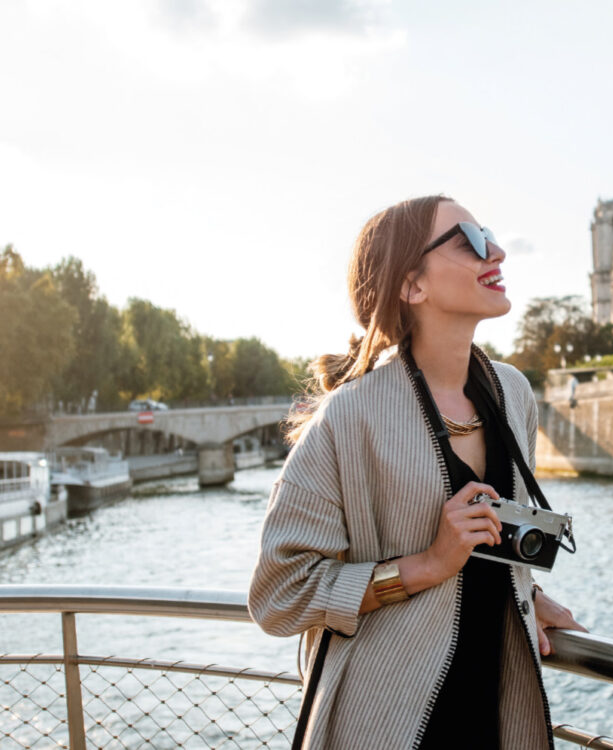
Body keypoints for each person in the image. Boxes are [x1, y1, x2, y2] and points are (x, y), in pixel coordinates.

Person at [248, 195, 586, 749]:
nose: (496, 251)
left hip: (498, 711)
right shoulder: (349, 416)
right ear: (412, 285)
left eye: (490, 235)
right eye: (470, 242)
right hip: (384, 722)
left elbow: (489, 540)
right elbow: (277, 594)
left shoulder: (512, 394)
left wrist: (524, 590)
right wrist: (425, 566)